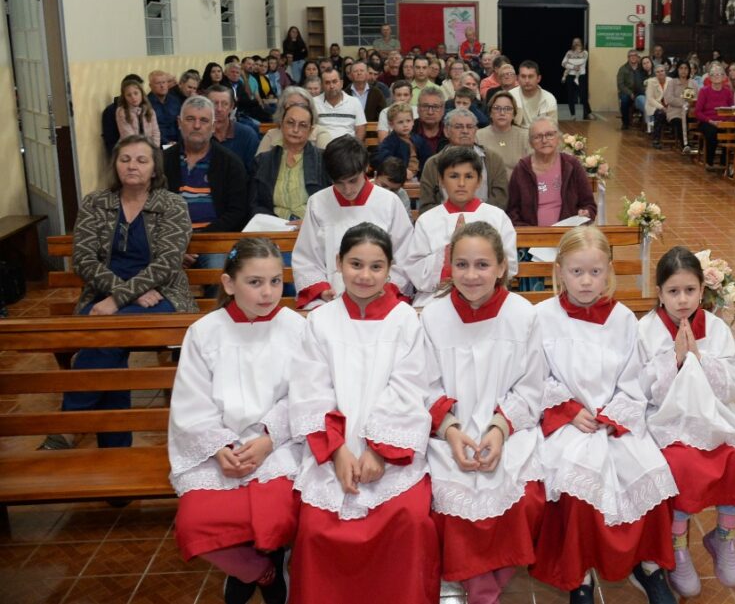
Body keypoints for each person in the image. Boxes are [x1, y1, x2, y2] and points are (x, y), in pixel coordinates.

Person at [288, 223, 439, 604]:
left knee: (411, 521)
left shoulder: (405, 320)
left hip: (390, 453)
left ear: (390, 269)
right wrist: (338, 451)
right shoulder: (321, 321)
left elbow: (409, 388)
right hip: (333, 452)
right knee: (314, 529)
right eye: (355, 264)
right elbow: (311, 391)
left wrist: (379, 450)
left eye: (376, 266)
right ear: (338, 263)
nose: (365, 275)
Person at [530, 227, 678, 603]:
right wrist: (568, 409)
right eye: (576, 272)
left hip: (615, 420)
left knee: (650, 473)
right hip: (567, 423)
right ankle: (579, 575)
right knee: (580, 489)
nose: (585, 281)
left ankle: (647, 565)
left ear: (608, 272)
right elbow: (534, 375)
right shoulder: (542, 317)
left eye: (595, 272)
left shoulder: (624, 319)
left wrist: (614, 417)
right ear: (560, 270)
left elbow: (634, 379)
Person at [168, 238, 303, 604]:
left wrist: (268, 439)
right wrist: (220, 447)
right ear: (229, 284)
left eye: (276, 281)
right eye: (255, 282)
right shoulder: (204, 332)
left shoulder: (296, 328)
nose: (268, 293)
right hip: (221, 451)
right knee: (195, 526)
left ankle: (274, 554)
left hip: (278, 446)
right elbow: (192, 403)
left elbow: (305, 395)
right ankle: (258, 570)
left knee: (280, 516)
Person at [40, 135, 194, 452]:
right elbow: (83, 260)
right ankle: (115, 450)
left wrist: (119, 299)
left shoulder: (172, 205)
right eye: (125, 159)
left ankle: (70, 424)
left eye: (141, 160)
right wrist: (126, 294)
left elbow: (167, 264)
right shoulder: (96, 203)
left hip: (162, 296)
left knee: (106, 336)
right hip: (104, 296)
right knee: (109, 340)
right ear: (115, 164)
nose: (132, 166)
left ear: (154, 168)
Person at [421, 220, 545, 602]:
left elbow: (530, 386)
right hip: (447, 433)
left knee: (525, 498)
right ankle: (457, 579)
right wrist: (453, 431)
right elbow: (424, 386)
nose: (471, 275)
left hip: (504, 428)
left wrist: (498, 429)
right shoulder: (432, 315)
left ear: (502, 267)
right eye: (462, 265)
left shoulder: (524, 315)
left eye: (482, 265)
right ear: (449, 266)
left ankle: (483, 585)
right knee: (442, 495)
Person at [638, 247, 735, 597]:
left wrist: (699, 359)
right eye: (673, 291)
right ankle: (677, 548)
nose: (682, 300)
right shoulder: (646, 329)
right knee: (679, 464)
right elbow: (641, 389)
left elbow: (733, 386)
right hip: (665, 420)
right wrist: (674, 363)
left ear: (701, 291)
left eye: (690, 291)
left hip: (712, 416)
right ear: (659, 292)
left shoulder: (717, 328)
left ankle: (723, 538)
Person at [291, 136, 413, 308]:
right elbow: (306, 258)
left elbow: (404, 256)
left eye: (353, 180)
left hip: (380, 296)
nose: (347, 190)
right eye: (339, 183)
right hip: (331, 299)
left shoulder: (389, 202)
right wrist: (321, 289)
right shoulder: (317, 203)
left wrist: (386, 289)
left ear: (365, 168)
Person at [404, 147, 518, 306]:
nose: (461, 183)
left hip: (487, 296)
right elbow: (415, 271)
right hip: (437, 297)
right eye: (454, 176)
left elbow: (509, 266)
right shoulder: (427, 220)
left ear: (479, 181)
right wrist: (449, 251)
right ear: (441, 180)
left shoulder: (497, 217)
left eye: (469, 176)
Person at [163, 96, 249, 246]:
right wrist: (176, 244)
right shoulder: (162, 161)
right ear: (179, 123)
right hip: (170, 241)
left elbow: (238, 211)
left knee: (216, 266)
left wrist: (202, 238)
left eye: (204, 120)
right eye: (190, 119)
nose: (197, 126)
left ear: (213, 126)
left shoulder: (231, 163)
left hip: (214, 240)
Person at [250, 97, 328, 222]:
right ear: (281, 124)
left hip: (312, 226)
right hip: (272, 228)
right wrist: (274, 223)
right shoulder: (262, 161)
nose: (295, 129)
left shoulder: (324, 160)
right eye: (290, 123)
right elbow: (255, 204)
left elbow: (331, 203)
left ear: (311, 130)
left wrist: (311, 223)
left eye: (303, 125)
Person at [507, 118, 596, 226]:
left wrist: (586, 212)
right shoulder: (521, 169)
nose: (544, 140)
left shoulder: (572, 165)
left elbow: (589, 205)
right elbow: (512, 211)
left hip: (568, 235)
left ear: (558, 138)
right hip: (532, 237)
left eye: (549, 134)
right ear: (530, 143)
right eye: (537, 136)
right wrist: (528, 233)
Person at [418, 108, 508, 213]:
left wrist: (478, 218)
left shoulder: (494, 160)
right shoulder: (433, 164)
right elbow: (426, 204)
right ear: (446, 131)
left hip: (484, 223)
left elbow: (500, 200)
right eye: (458, 127)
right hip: (444, 223)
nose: (465, 131)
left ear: (476, 131)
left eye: (469, 127)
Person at [257, 87, 334, 154]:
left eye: (302, 105)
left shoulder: (320, 133)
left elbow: (328, 166)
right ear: (282, 109)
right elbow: (259, 166)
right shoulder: (271, 135)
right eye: (292, 105)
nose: (296, 110)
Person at [205, 84, 260, 173]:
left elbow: (255, 174)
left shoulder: (247, 135)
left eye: (224, 104)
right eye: (214, 103)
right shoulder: (198, 135)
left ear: (231, 107)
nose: (219, 109)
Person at [478, 91, 532, 174]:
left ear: (514, 114)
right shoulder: (478, 136)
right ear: (490, 113)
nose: (502, 113)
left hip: (517, 185)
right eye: (497, 108)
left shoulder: (525, 136)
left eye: (507, 109)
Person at [373, 103, 430, 182]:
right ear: (391, 124)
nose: (405, 125)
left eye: (408, 121)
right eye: (400, 122)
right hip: (397, 179)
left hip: (418, 178)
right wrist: (401, 170)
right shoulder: (389, 142)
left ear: (413, 122)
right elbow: (383, 158)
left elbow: (427, 159)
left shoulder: (418, 140)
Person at [694, 63, 735, 170]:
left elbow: (732, 110)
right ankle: (709, 161)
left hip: (724, 122)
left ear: (723, 77)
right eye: (713, 74)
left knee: (731, 132)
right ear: (710, 77)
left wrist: (726, 122)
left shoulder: (728, 92)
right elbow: (698, 112)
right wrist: (710, 121)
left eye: (719, 74)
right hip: (707, 122)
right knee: (712, 132)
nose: (716, 76)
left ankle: (724, 162)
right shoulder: (704, 91)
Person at [313, 68, 366, 142]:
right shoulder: (314, 103)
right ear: (322, 86)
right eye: (327, 83)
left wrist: (354, 149)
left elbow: (360, 129)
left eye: (334, 82)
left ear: (341, 83)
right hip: (322, 149)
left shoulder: (354, 102)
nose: (331, 86)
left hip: (347, 149)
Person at [509, 60, 558, 129]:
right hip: (516, 135)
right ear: (518, 78)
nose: (527, 81)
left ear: (538, 78)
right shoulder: (510, 96)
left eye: (531, 76)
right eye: (523, 76)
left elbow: (553, 127)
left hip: (540, 136)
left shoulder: (549, 98)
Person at [116, 77, 161, 147]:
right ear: (124, 97)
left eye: (136, 93)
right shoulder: (121, 111)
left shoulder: (150, 110)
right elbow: (128, 135)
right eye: (129, 95)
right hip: (130, 146)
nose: (133, 97)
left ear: (141, 93)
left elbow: (156, 132)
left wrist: (154, 148)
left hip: (150, 147)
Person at [645, 63, 680, 148]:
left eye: (662, 71)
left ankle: (680, 140)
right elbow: (650, 99)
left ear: (665, 72)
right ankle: (656, 139)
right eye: (657, 72)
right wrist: (662, 107)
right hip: (655, 106)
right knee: (660, 114)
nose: (660, 73)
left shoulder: (671, 81)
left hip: (669, 106)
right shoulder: (651, 82)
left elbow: (674, 95)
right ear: (655, 74)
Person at [146, 70, 181, 144]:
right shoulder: (146, 104)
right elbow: (149, 131)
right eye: (158, 83)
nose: (162, 86)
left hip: (178, 143)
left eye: (164, 82)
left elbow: (180, 124)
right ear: (150, 86)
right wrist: (166, 143)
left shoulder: (175, 101)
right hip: (157, 144)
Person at [413, 86, 448, 158]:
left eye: (435, 107)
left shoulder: (451, 133)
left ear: (443, 109)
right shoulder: (406, 132)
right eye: (425, 106)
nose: (430, 112)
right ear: (418, 108)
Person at [561, 37, 590, 119]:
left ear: (581, 43)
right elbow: (563, 63)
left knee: (583, 95)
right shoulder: (569, 52)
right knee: (570, 96)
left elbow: (581, 61)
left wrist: (569, 62)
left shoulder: (585, 52)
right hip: (570, 76)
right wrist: (573, 66)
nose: (576, 43)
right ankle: (572, 115)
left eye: (578, 42)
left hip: (581, 76)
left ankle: (589, 112)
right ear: (572, 44)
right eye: (574, 42)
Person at [616, 50, 642, 130]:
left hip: (640, 92)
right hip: (627, 92)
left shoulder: (642, 68)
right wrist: (630, 93)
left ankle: (644, 122)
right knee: (624, 100)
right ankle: (625, 122)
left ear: (638, 57)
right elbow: (620, 84)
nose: (633, 57)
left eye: (635, 55)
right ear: (628, 58)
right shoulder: (623, 69)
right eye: (631, 55)